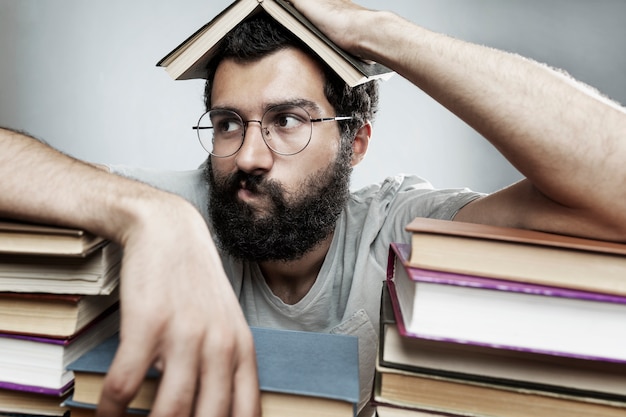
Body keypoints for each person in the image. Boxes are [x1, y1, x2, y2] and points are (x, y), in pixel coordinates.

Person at [1, 1, 626, 416]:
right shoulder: (176, 208)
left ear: (355, 141)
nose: (249, 156)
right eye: (227, 124)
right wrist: (149, 217)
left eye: (287, 121)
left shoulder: (400, 231)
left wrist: (381, 32)